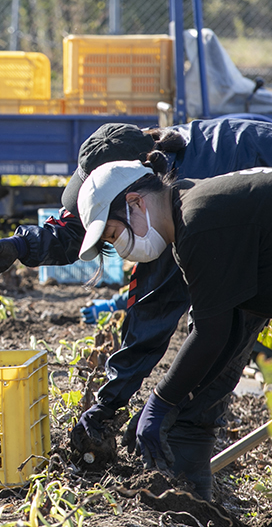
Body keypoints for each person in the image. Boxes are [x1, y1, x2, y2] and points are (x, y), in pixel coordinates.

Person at [0, 118, 272, 499]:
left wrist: (122, 404)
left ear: (135, 191)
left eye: (114, 236)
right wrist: (22, 246)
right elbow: (96, 220)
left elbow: (162, 310)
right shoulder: (148, 171)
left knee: (204, 376)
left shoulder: (189, 212)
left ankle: (188, 488)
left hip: (251, 217)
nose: (115, 246)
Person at [76, 160, 272, 476]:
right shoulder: (189, 209)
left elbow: (212, 333)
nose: (121, 248)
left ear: (135, 202)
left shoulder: (199, 221)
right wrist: (171, 401)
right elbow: (233, 327)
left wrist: (161, 402)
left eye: (113, 233)